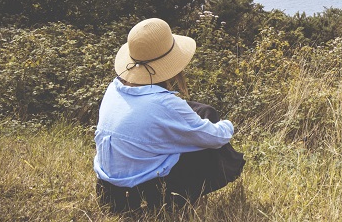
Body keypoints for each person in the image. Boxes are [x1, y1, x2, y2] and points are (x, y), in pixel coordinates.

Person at [94, 18, 244, 213]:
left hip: (108, 192)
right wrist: (228, 124)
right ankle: (173, 204)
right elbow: (216, 138)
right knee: (210, 142)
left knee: (203, 112)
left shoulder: (114, 88)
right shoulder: (164, 104)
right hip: (142, 195)